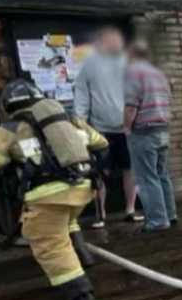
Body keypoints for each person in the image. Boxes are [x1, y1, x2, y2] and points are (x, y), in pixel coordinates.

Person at [0, 78, 108, 300]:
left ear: (7, 105)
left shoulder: (10, 128)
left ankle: (80, 295)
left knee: (48, 240)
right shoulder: (69, 119)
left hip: (47, 195)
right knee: (64, 219)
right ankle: (83, 255)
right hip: (83, 189)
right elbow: (102, 145)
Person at [73, 26, 138, 227]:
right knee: (100, 172)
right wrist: (79, 120)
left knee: (130, 170)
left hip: (127, 128)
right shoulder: (89, 65)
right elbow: (82, 93)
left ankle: (130, 209)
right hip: (100, 130)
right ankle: (101, 215)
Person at [123, 40, 176, 233]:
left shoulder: (133, 74)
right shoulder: (159, 74)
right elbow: (169, 99)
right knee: (162, 174)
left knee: (146, 178)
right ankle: (170, 214)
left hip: (144, 131)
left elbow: (130, 107)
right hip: (162, 129)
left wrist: (127, 128)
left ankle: (157, 221)